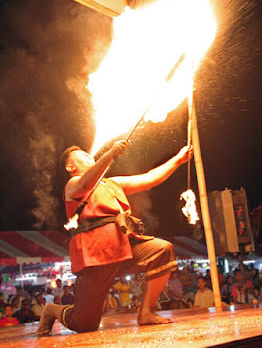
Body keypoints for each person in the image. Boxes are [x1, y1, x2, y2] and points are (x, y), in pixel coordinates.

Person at [37, 140, 193, 334]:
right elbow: (86, 182)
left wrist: (178, 159)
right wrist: (110, 154)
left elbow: (150, 178)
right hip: (96, 254)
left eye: (88, 154)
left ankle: (146, 312)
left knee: (162, 250)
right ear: (71, 167)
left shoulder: (112, 183)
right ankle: (52, 310)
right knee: (84, 324)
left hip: (123, 247)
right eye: (81, 155)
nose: (88, 155)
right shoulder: (73, 185)